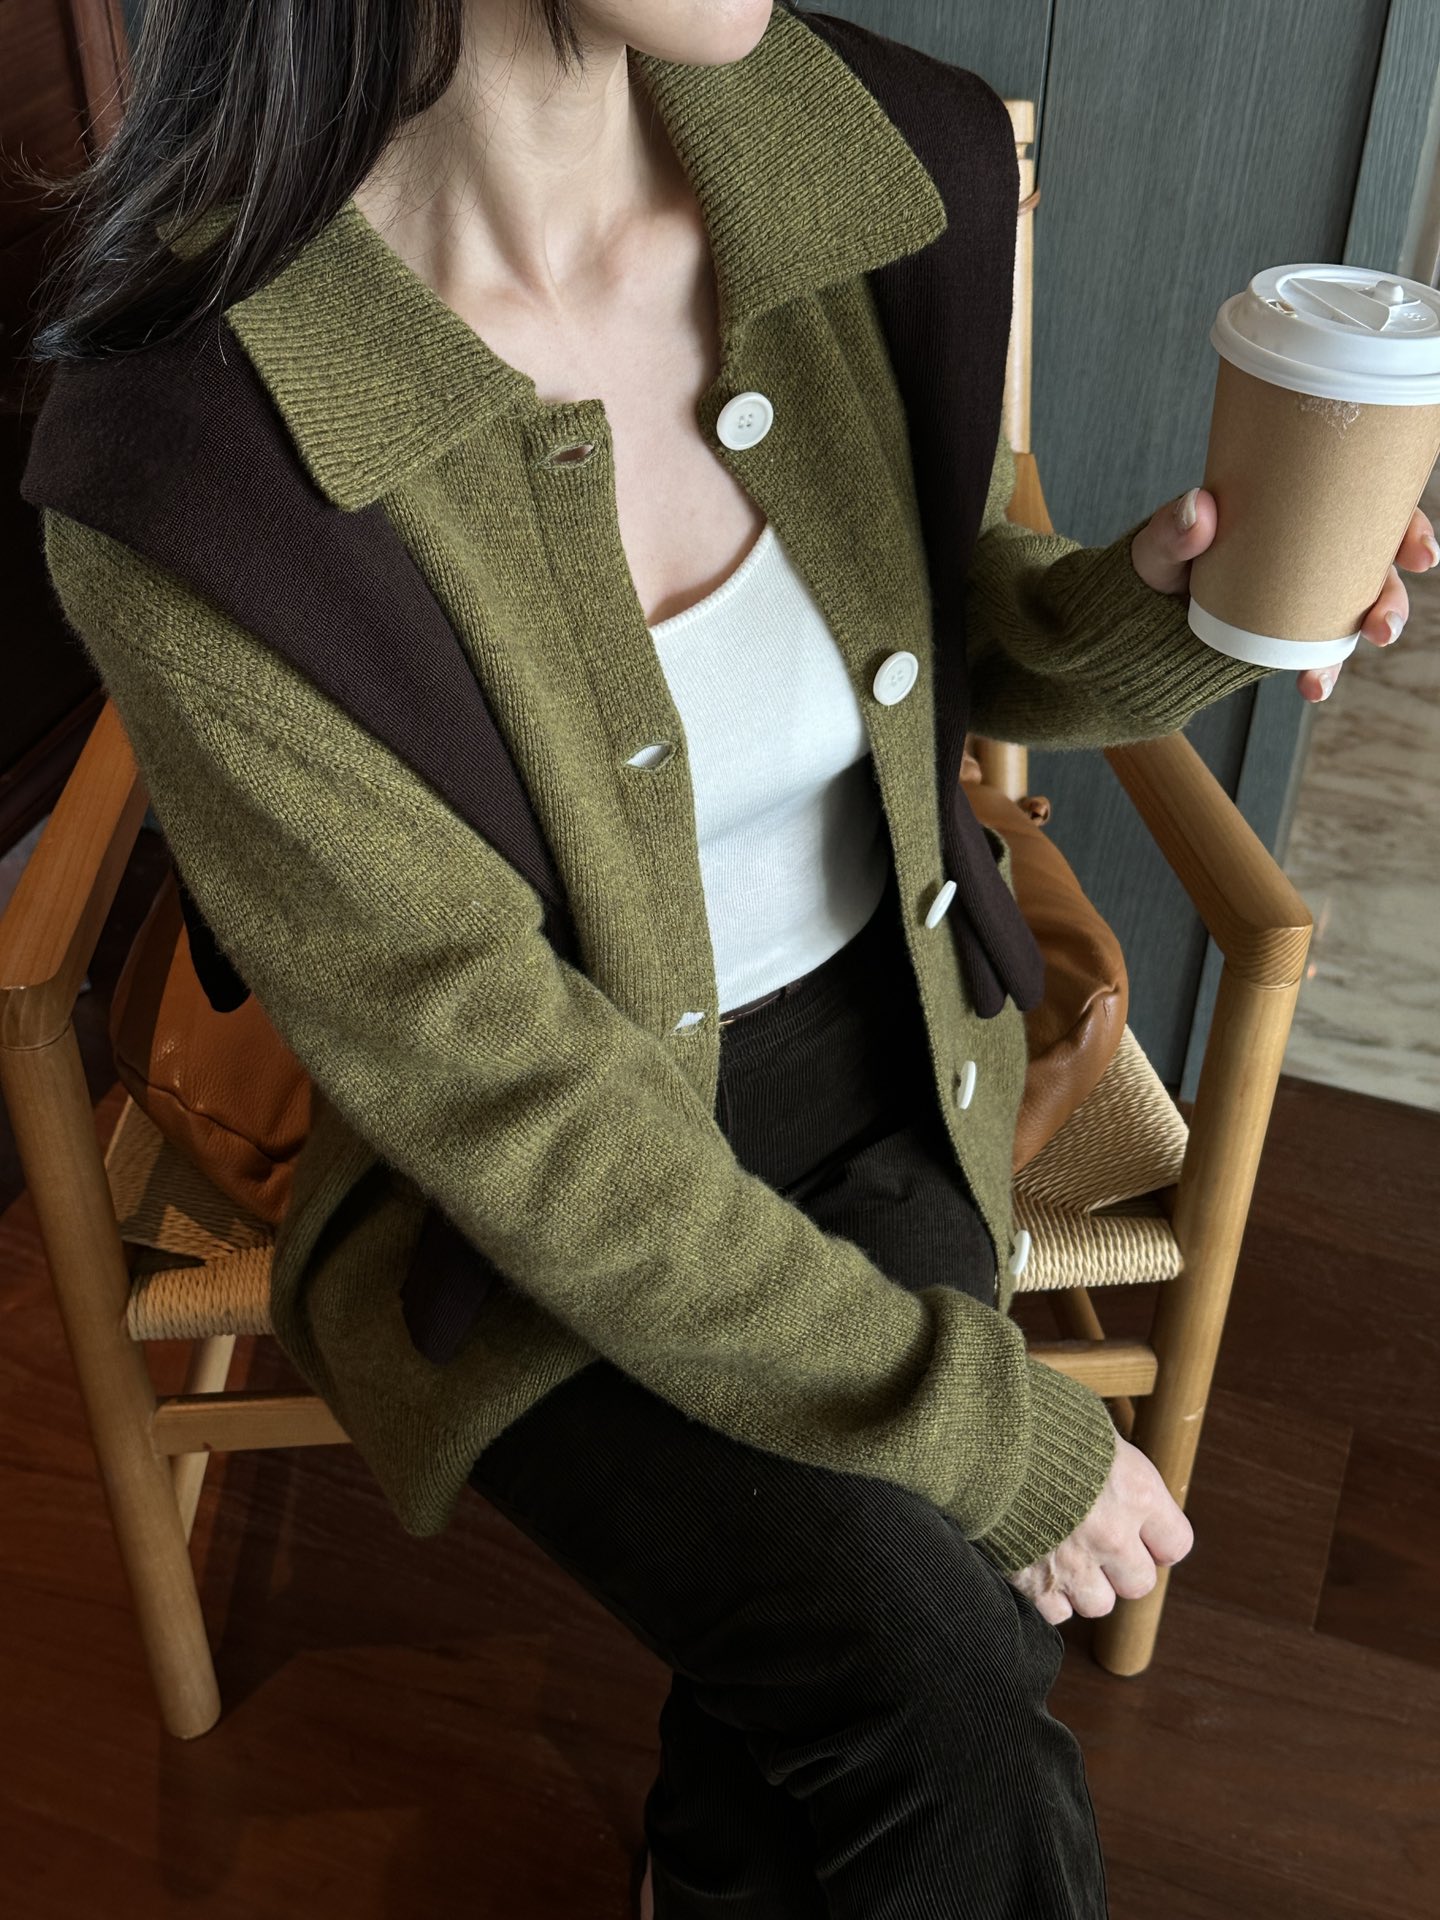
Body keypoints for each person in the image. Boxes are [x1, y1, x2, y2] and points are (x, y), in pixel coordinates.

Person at [22, 3, 1434, 1915]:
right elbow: (516, 1114)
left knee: (897, 1656)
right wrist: (988, 1431)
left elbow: (930, 628)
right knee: (940, 1689)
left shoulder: (846, 154)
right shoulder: (196, 461)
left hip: (893, 1051)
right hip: (523, 1196)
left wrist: (1166, 617)